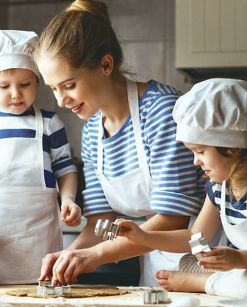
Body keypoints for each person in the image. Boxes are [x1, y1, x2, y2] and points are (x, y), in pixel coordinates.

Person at [34, 0, 205, 286]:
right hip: (155, 267)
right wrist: (68, 255)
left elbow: (172, 219)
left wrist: (93, 256)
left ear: (106, 64)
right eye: (53, 88)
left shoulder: (162, 111)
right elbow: (100, 222)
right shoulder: (91, 132)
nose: (61, 101)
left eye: (69, 85)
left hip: (203, 259)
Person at [115, 78, 247, 298]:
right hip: (244, 269)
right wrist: (141, 236)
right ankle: (209, 279)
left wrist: (241, 259)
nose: (196, 161)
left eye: (201, 152)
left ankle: (202, 282)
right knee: (189, 262)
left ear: (231, 148)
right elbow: (195, 236)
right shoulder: (220, 187)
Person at [0, 30, 81, 284]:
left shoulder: (51, 123)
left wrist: (68, 199)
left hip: (41, 230)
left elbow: (65, 169)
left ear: (37, 82)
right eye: (5, 86)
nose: (16, 93)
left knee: (43, 288)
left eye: (25, 84)